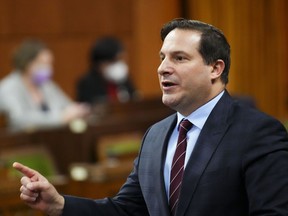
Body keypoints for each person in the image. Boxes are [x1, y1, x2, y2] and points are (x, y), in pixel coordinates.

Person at [13, 19, 288, 215]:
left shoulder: (258, 132)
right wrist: (59, 204)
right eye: (162, 57)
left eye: (179, 58)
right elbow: (127, 210)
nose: (163, 68)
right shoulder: (155, 136)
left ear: (215, 68)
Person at [0, 39, 89, 132]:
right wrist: (59, 118)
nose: (49, 68)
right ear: (27, 63)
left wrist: (77, 110)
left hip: (52, 138)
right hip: (21, 142)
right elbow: (18, 119)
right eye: (43, 63)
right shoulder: (8, 87)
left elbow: (67, 106)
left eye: (50, 63)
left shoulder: (47, 85)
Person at [76, 36, 139, 104]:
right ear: (100, 64)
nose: (119, 64)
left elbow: (135, 101)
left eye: (121, 59)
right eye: (115, 60)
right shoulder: (87, 83)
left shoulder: (125, 80)